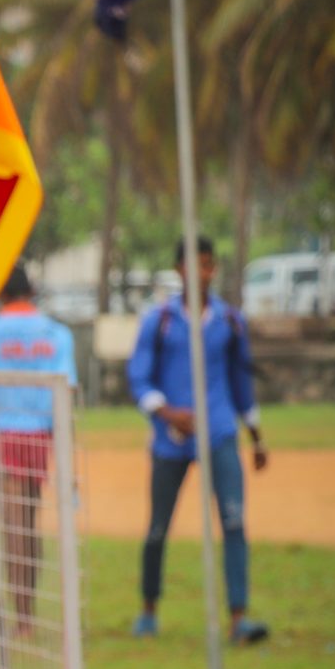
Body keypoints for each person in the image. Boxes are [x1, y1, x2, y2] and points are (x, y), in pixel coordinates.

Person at [127, 237, 270, 644]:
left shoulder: (229, 321)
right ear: (179, 270)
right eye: (194, 265)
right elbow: (138, 378)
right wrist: (167, 412)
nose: (201, 272)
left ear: (214, 269)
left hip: (221, 431)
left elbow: (242, 382)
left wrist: (256, 436)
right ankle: (148, 610)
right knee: (158, 526)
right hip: (171, 440)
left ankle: (239, 618)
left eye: (208, 265)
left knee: (234, 522)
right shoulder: (161, 321)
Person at [0, 266, 78, 638]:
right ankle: (25, 611)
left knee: (13, 528)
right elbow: (67, 390)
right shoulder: (56, 334)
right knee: (28, 525)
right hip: (40, 436)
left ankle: (23, 616)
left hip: (4, 436)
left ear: (1, 294)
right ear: (31, 291)